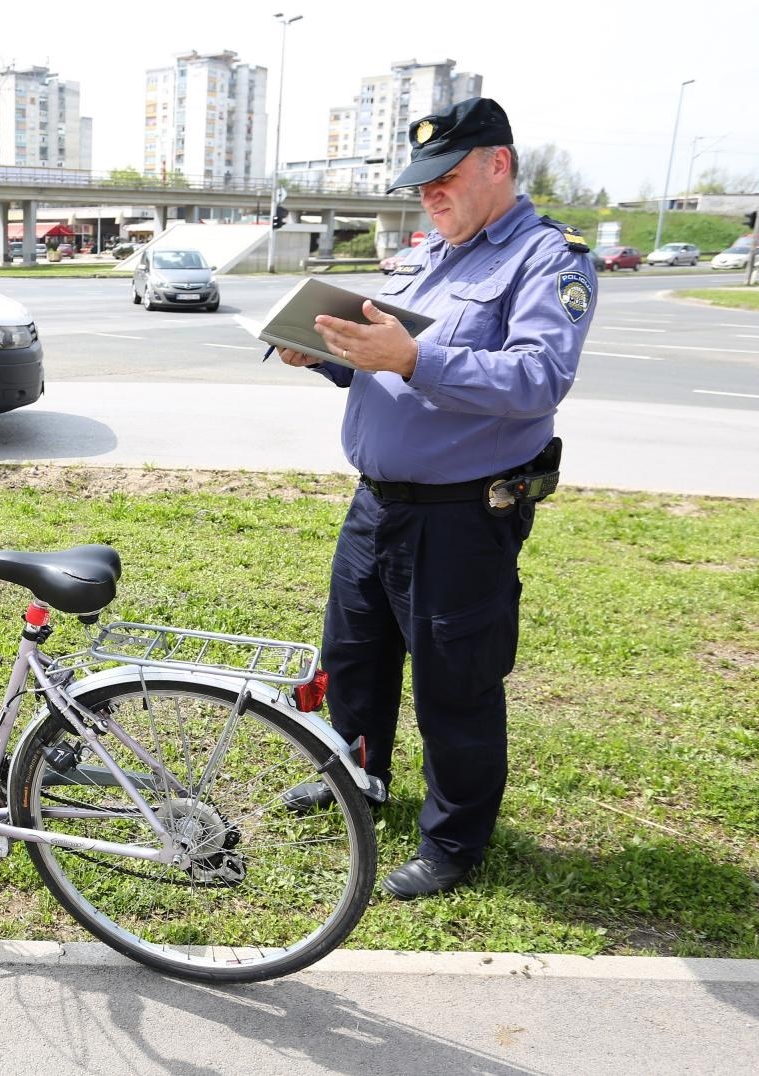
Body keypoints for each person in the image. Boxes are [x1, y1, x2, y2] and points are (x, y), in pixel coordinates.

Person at [273, 98, 596, 900]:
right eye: (421, 185)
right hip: (378, 501)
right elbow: (386, 362)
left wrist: (411, 356)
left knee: (456, 683)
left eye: (446, 179)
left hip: (461, 515)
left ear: (499, 164)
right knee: (355, 656)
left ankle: (453, 843)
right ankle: (358, 776)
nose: (431, 197)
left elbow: (536, 379)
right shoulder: (432, 255)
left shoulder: (546, 259)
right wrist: (326, 354)